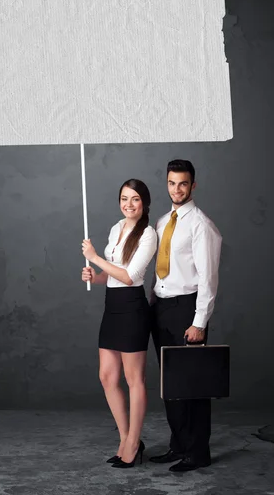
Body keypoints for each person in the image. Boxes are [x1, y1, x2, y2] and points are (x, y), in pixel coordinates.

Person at [150, 159, 222, 473]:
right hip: (161, 307)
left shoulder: (201, 225)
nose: (177, 189)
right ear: (166, 184)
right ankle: (178, 446)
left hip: (187, 309)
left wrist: (199, 321)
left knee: (192, 384)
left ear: (193, 185)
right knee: (171, 385)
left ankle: (198, 452)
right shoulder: (163, 221)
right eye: (171, 183)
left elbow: (208, 278)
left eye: (183, 183)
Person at [81, 178, 157, 468]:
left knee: (133, 379)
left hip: (133, 309)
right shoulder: (116, 228)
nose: (129, 204)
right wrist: (94, 275)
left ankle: (134, 442)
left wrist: (95, 257)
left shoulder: (148, 234)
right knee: (107, 377)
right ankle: (125, 438)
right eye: (124, 198)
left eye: (135, 199)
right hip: (111, 308)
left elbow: (130, 277)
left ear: (144, 203)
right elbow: (112, 277)